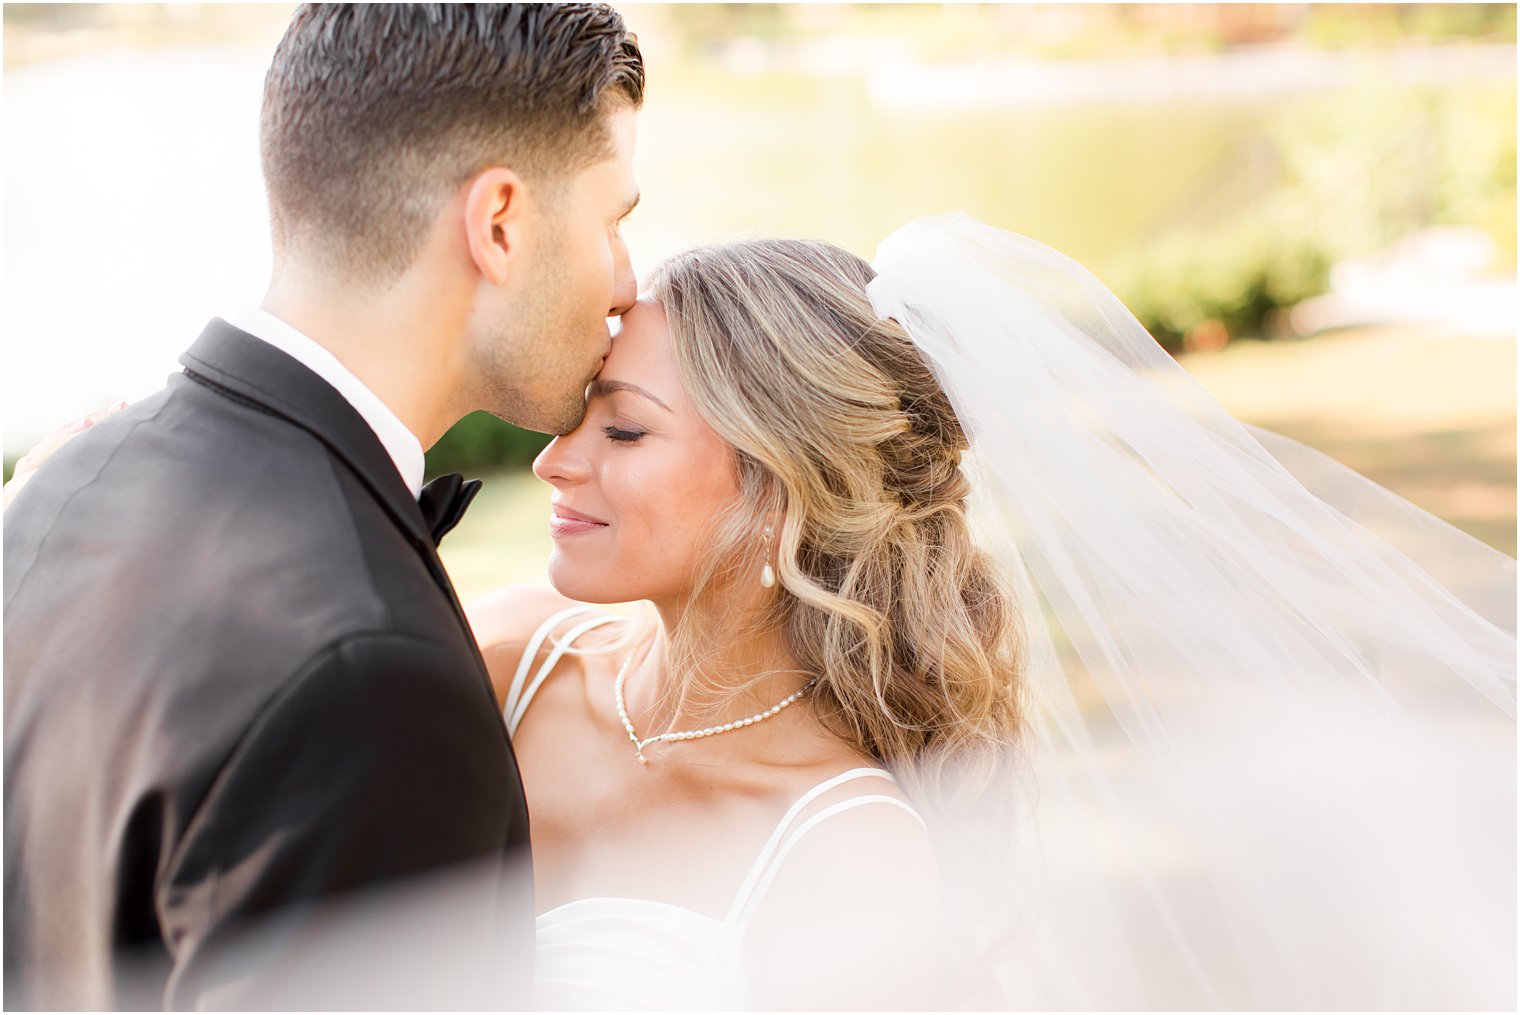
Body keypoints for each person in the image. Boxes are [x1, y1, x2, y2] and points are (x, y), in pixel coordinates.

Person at [10, 214, 1514, 1008]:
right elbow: (282, 708)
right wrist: (134, 507)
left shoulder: (852, 853)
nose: (554, 461)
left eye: (622, 429)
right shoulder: (526, 646)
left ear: (776, 492)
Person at [2, 4, 643, 1009]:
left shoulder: (57, 488)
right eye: (614, 222)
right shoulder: (369, 678)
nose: (625, 281)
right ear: (500, 224)